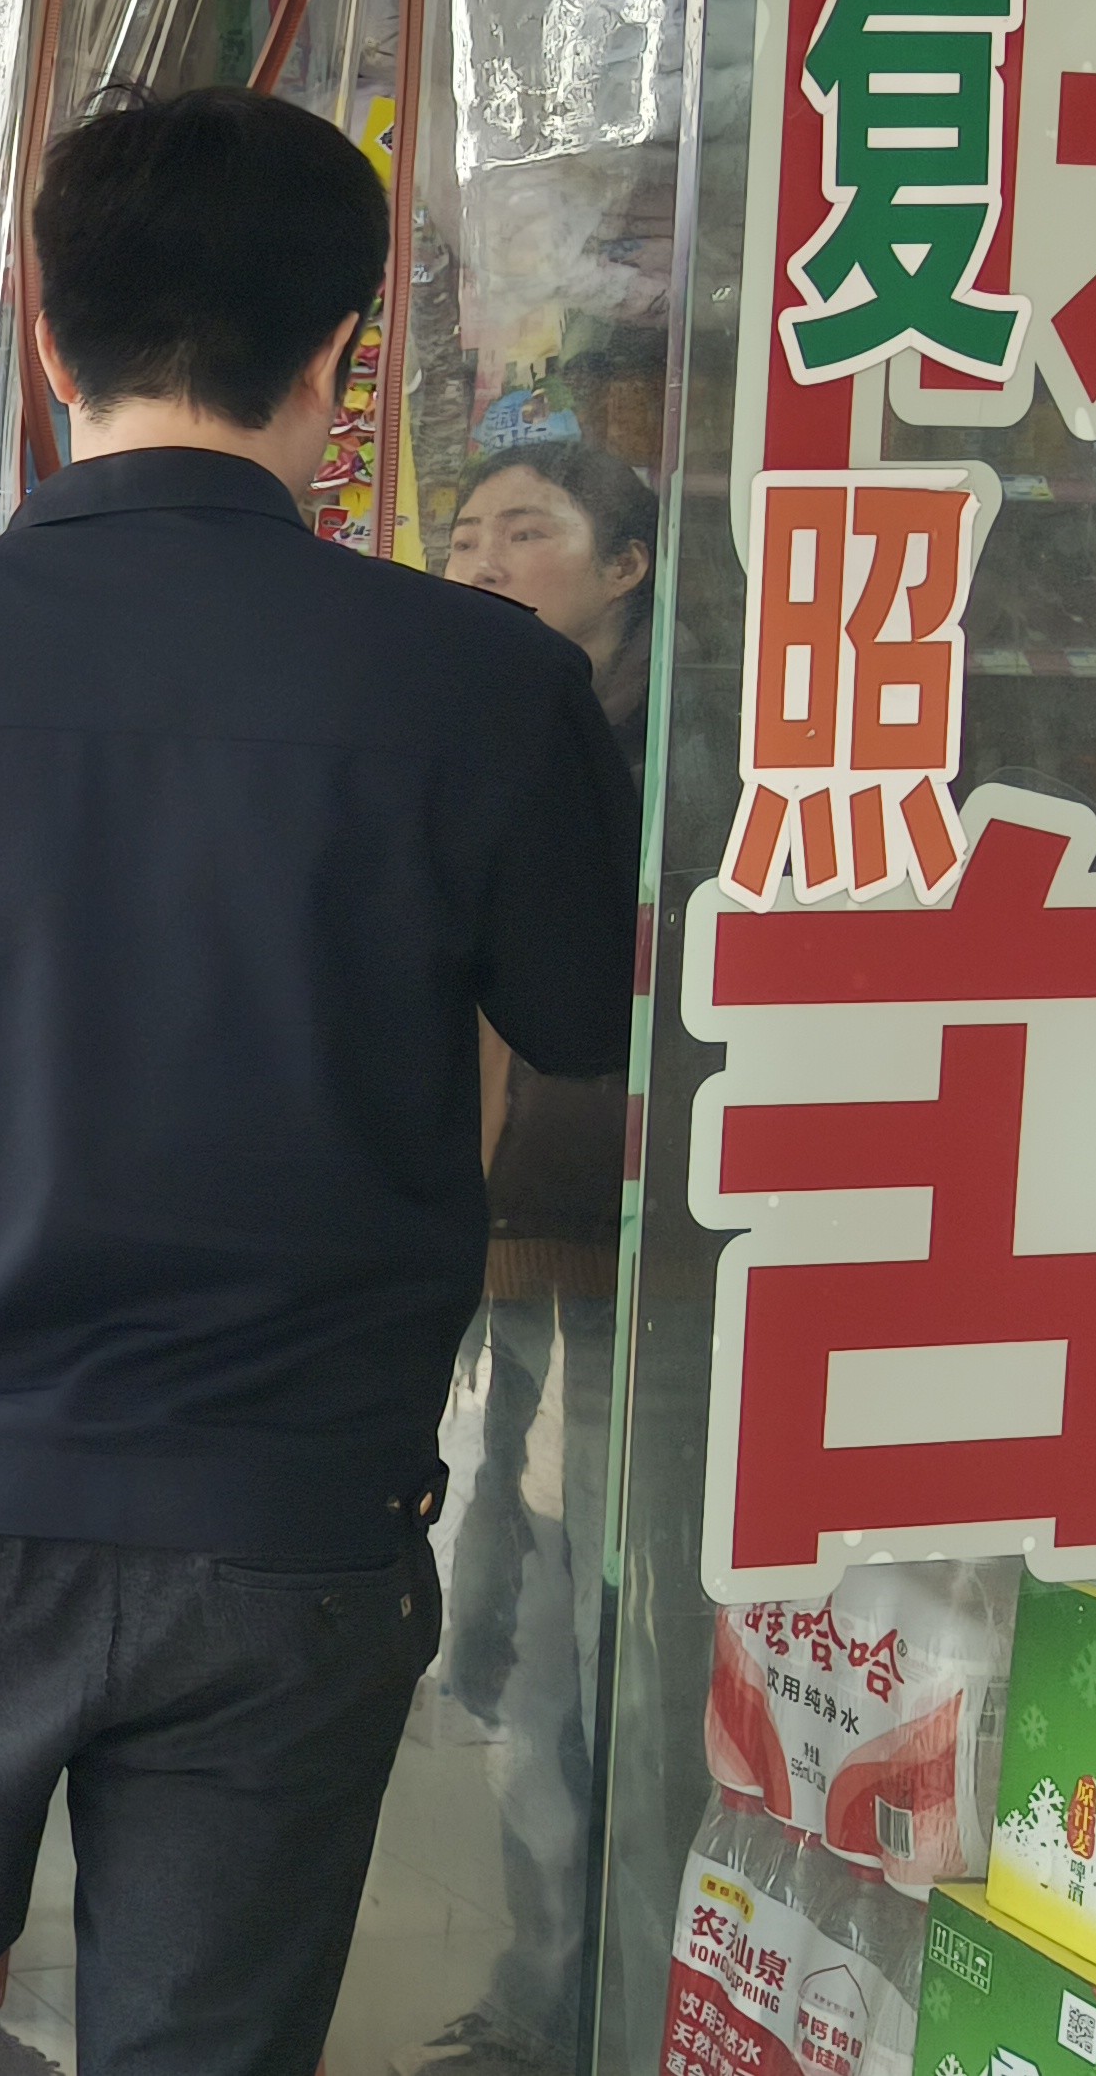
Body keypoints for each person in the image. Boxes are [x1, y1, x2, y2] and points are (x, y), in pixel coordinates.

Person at [0, 88, 642, 2076]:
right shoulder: (484, 681)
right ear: (338, 356)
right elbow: (576, 1015)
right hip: (294, 1517)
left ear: (44, 331)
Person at [403, 438, 656, 2076]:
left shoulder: (669, 749)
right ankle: (549, 1990)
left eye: (527, 532)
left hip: (624, 1260)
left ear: (627, 566)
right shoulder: (462, 720)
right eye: (466, 533)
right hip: (491, 1250)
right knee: (506, 1629)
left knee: (586, 1637)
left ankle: (582, 2000)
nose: (484, 559)